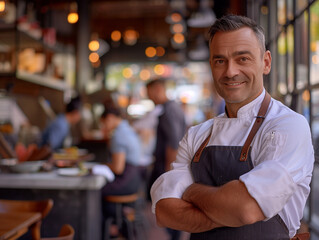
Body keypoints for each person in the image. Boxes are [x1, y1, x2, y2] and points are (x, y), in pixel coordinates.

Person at [150, 14, 314, 240]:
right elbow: (165, 212)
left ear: (265, 62)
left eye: (242, 59)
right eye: (220, 61)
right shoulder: (197, 135)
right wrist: (228, 208)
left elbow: (245, 209)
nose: (230, 72)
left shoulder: (287, 126)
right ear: (211, 66)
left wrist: (191, 191)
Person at [146, 78, 186, 240]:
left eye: (148, 92)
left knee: (170, 205)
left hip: (168, 166)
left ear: (157, 89)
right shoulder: (167, 109)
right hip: (165, 164)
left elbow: (173, 142)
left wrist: (170, 172)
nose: (149, 97)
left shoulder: (169, 110)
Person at [99, 105, 142, 230]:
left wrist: (102, 165)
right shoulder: (128, 129)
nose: (104, 127)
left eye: (103, 123)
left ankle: (110, 230)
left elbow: (118, 168)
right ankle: (119, 223)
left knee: (96, 191)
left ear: (110, 118)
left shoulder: (119, 135)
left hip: (126, 181)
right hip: (134, 180)